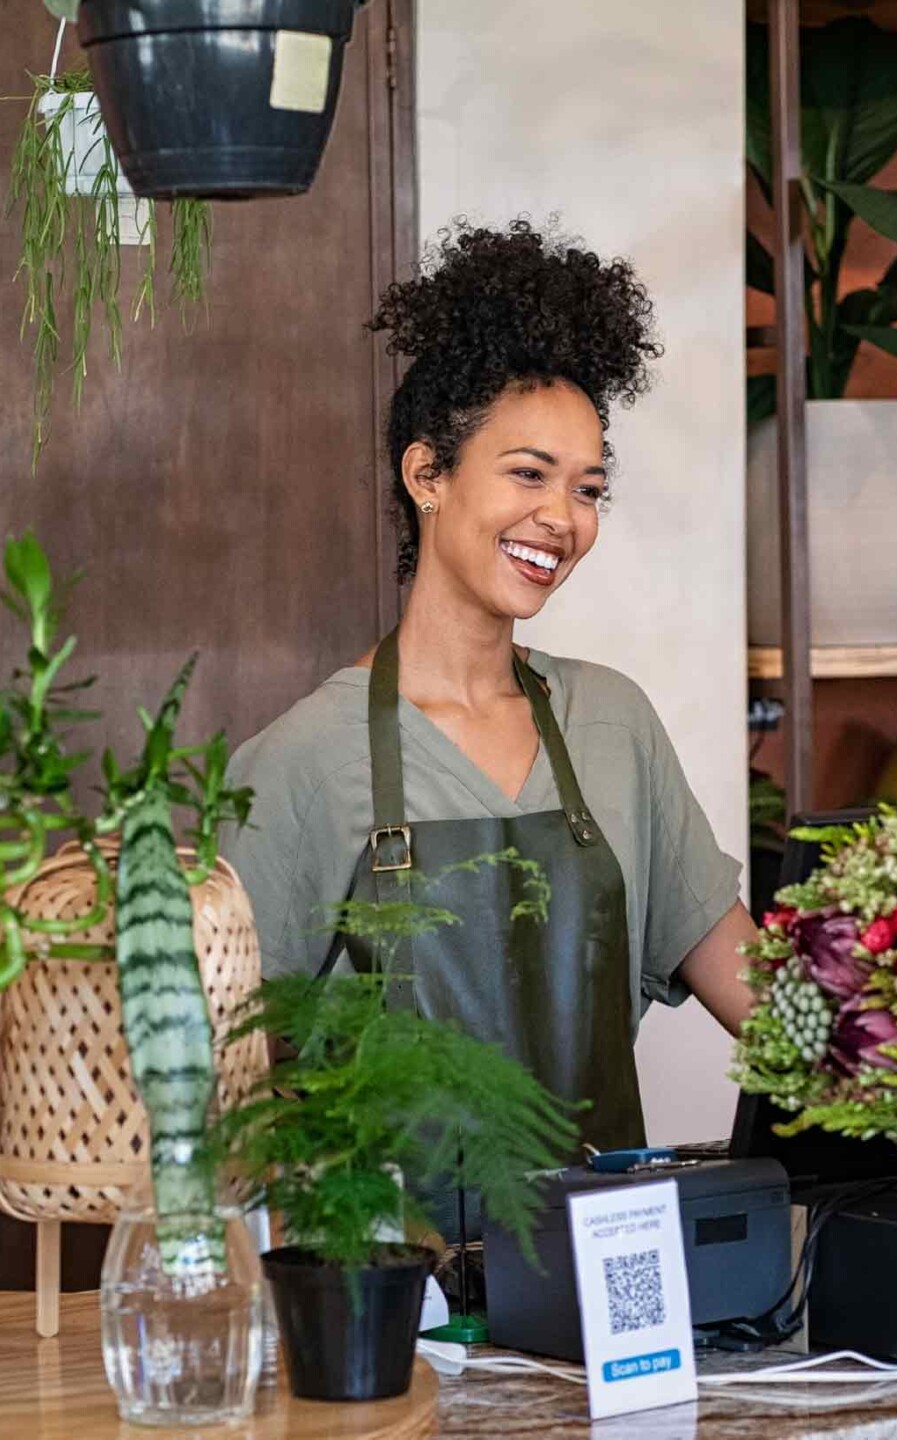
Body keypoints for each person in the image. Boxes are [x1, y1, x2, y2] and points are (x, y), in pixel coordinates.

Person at [223, 222, 758, 1167]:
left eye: (587, 489)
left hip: (605, 1244)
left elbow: (759, 996)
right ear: (427, 474)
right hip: (392, 1254)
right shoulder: (303, 761)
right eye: (528, 475)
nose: (561, 519)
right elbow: (225, 1083)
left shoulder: (611, 725)